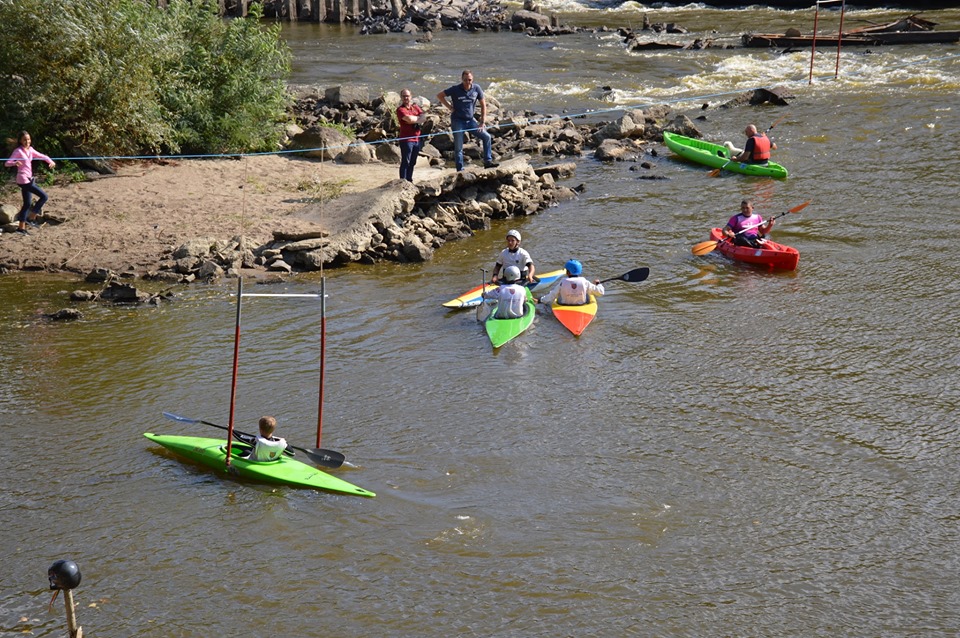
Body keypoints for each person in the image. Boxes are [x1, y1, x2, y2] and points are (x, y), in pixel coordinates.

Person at [436, 69, 499, 172]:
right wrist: (449, 107)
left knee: (487, 137)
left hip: (471, 121)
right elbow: (440, 95)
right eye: (465, 80)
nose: (467, 82)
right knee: (459, 148)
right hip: (458, 121)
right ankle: (460, 169)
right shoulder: (455, 89)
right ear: (462, 79)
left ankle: (488, 161)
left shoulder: (476, 88)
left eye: (469, 80)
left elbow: (483, 104)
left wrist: (482, 122)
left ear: (472, 79)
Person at [5, 131, 55, 235]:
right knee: (44, 196)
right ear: (20, 141)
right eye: (25, 140)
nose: (27, 141)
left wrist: (50, 161)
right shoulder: (18, 151)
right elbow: (7, 163)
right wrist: (15, 163)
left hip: (29, 178)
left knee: (27, 204)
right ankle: (31, 218)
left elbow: (42, 156)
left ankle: (21, 228)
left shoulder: (30, 150)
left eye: (28, 139)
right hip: (23, 179)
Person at [539, 259, 605, 306]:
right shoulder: (584, 282)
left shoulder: (562, 282)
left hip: (565, 305)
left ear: (568, 272)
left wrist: (540, 300)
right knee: (588, 294)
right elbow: (601, 292)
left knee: (558, 296)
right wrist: (598, 284)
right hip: (581, 305)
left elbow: (552, 295)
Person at [396, 89, 424, 182]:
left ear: (411, 96)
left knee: (412, 162)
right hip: (406, 139)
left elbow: (424, 117)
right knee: (406, 161)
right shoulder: (400, 109)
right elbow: (409, 119)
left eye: (407, 96)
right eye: (404, 96)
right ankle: (402, 182)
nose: (406, 98)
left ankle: (409, 180)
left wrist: (415, 119)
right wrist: (417, 118)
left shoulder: (415, 107)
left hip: (416, 139)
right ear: (401, 98)